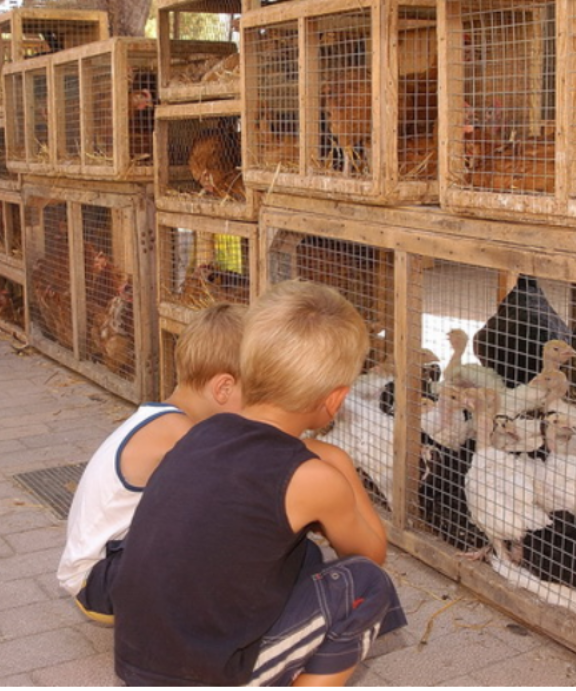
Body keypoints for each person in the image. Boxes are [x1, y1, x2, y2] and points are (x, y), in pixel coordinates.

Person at [113, 280, 406, 687]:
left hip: (138, 663)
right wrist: (339, 465)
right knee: (366, 587)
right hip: (202, 676)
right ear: (335, 400)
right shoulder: (313, 478)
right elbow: (369, 554)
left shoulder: (199, 432)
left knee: (300, 557)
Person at [57, 302, 247, 625]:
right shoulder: (177, 431)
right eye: (259, 395)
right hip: (100, 582)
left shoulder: (162, 417)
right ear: (224, 388)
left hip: (100, 572)